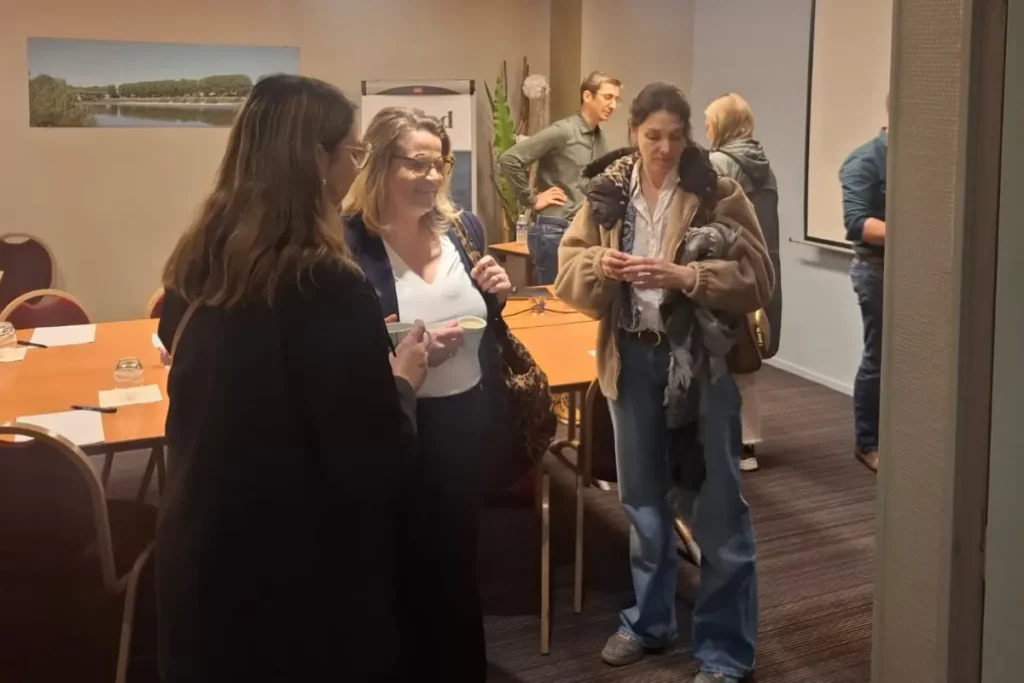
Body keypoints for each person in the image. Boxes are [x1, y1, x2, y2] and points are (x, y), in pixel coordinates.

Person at [155, 75, 432, 683]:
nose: (356, 169)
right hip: (291, 587)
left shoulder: (200, 262)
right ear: (316, 161)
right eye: (353, 153)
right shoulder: (327, 286)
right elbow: (374, 463)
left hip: (199, 557)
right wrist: (402, 379)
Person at [556, 82, 773, 683]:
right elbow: (568, 271)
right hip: (630, 358)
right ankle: (650, 621)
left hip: (701, 367)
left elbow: (758, 278)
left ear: (689, 136)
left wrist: (689, 277)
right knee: (643, 501)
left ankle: (725, 651)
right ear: (633, 134)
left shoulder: (716, 191)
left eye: (676, 137)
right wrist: (600, 265)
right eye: (652, 136)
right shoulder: (608, 192)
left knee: (718, 508)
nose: (664, 148)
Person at [343, 107, 513, 683]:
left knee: (456, 562)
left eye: (439, 163)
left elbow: (482, 321)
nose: (432, 176)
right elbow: (336, 347)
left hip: (465, 423)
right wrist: (405, 352)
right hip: (398, 424)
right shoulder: (348, 244)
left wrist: (496, 296)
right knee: (399, 565)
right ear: (379, 165)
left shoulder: (463, 229)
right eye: (416, 164)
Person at [705, 93, 782, 473]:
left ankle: (718, 441)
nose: (706, 131)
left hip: (726, 269)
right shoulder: (765, 167)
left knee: (717, 356)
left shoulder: (717, 164)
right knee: (746, 357)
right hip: (760, 270)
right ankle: (746, 445)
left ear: (722, 126)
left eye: (709, 123)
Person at [499, 70, 621, 284]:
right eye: (608, 97)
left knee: (578, 300)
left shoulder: (601, 139)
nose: (613, 105)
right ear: (587, 96)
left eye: (616, 99)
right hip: (554, 231)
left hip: (583, 232)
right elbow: (509, 159)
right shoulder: (562, 131)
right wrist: (531, 200)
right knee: (554, 299)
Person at [839, 97, 888, 474]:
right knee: (879, 357)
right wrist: (918, 231)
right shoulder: (865, 160)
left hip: (915, 272)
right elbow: (856, 223)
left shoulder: (922, 159)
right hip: (877, 271)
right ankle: (867, 443)